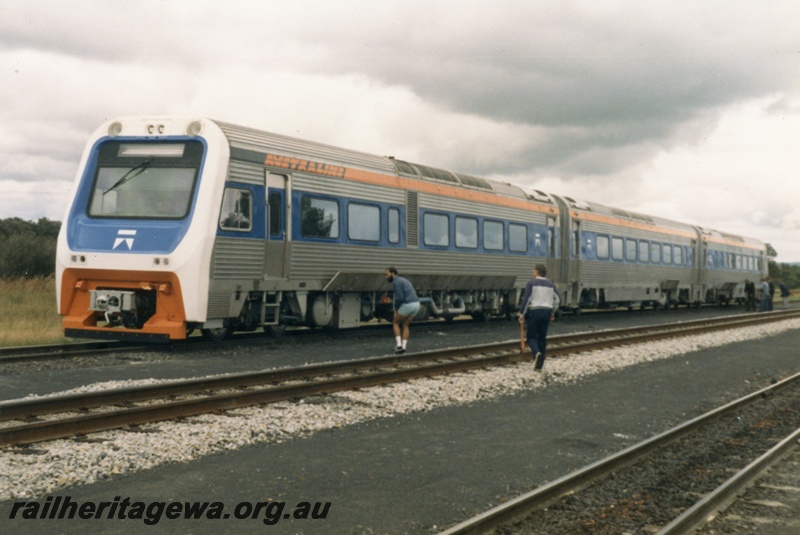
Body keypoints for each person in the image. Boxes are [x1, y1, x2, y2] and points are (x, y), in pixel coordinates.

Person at [518, 263, 561, 372]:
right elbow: (558, 299)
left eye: (533, 270)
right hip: (546, 312)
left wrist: (522, 314)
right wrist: (553, 311)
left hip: (534, 311)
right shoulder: (551, 284)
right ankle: (539, 366)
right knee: (542, 338)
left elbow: (526, 300)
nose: (532, 272)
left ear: (537, 272)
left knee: (531, 337)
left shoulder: (531, 283)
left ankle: (536, 353)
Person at [385, 267, 420, 354]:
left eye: (387, 274)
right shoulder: (404, 280)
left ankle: (399, 346)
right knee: (405, 325)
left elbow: (399, 298)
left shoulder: (396, 282)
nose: (386, 277)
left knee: (395, 322)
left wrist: (396, 310)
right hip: (416, 304)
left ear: (393, 273)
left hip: (408, 304)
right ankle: (404, 347)